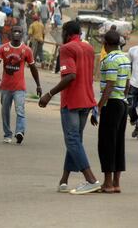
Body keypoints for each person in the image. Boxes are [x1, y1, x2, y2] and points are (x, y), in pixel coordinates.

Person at [39, 21, 101, 195]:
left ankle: (91, 180)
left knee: (72, 140)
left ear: (67, 33)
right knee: (75, 141)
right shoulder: (88, 48)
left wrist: (49, 94)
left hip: (72, 102)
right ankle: (64, 180)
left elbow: (70, 76)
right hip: (87, 101)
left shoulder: (67, 48)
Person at [0, 26, 42, 144]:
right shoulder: (3, 48)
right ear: (11, 33)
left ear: (22, 34)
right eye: (14, 31)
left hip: (19, 87)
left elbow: (33, 68)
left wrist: (38, 85)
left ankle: (20, 131)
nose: (16, 33)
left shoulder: (27, 50)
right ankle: (7, 134)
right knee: (5, 111)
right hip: (5, 86)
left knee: (20, 110)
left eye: (19, 32)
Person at [95, 30, 130, 193]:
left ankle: (107, 183)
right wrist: (123, 97)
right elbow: (128, 84)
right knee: (118, 143)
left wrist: (99, 106)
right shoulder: (125, 58)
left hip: (111, 104)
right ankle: (116, 183)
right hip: (122, 103)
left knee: (107, 143)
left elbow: (109, 85)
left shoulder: (109, 59)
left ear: (106, 44)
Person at [127, 43, 138, 138]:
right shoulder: (133, 50)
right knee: (129, 106)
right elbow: (128, 66)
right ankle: (135, 121)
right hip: (133, 84)